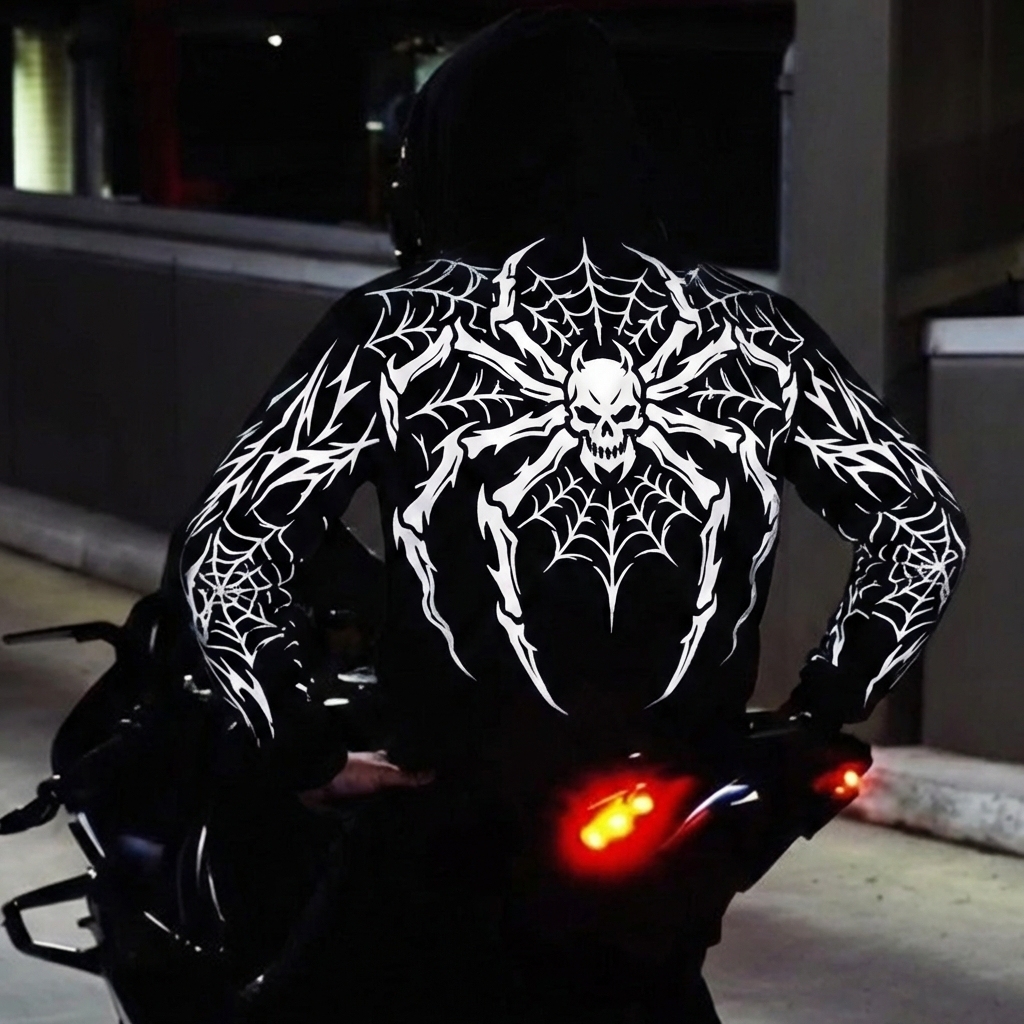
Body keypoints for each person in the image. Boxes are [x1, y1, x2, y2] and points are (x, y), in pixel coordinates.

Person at [177, 10, 968, 1022]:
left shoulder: (397, 329)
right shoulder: (752, 328)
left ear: (454, 153)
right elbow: (920, 524)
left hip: (451, 824)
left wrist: (299, 749)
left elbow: (230, 541)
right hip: (675, 812)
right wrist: (823, 700)